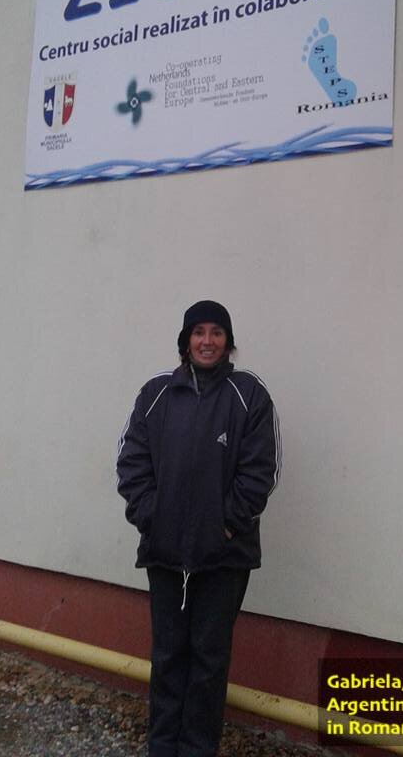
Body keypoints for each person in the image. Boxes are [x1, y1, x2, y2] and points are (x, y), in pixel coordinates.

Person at [116, 300, 281, 757]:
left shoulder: (249, 395)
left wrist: (225, 527)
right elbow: (130, 463)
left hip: (223, 558)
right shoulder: (156, 394)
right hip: (166, 554)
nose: (207, 341)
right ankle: (162, 747)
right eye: (198, 332)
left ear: (228, 342)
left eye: (216, 332)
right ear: (185, 341)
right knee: (168, 655)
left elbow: (262, 472)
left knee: (209, 661)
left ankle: (196, 749)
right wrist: (153, 518)